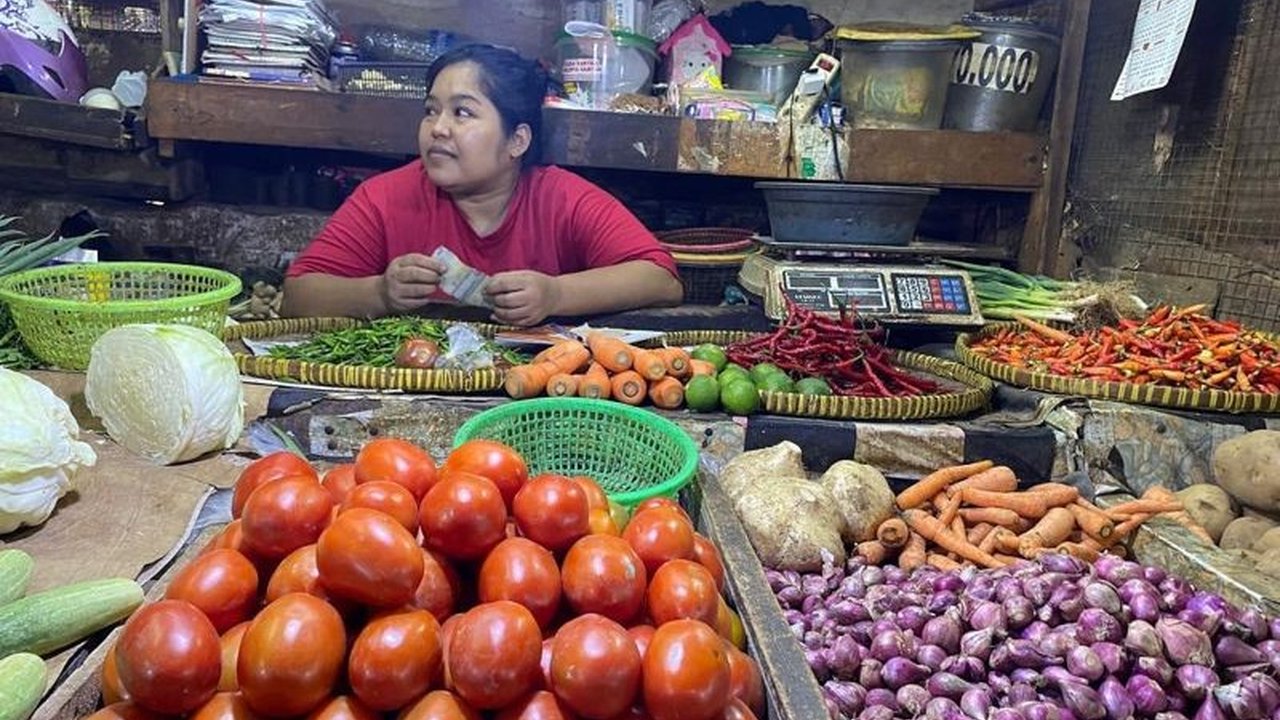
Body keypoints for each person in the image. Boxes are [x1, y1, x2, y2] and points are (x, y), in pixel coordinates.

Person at [282, 44, 684, 326]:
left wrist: (556, 295)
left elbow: (661, 279)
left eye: (462, 112)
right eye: (431, 110)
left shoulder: (562, 198)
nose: (438, 128)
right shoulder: (384, 198)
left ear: (517, 141)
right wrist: (380, 294)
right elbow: (299, 296)